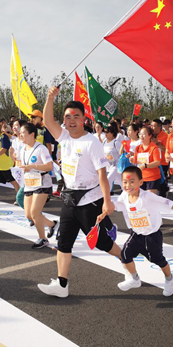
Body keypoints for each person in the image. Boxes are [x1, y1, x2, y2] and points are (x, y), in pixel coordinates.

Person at [37, 87, 121, 298]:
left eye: (76, 116)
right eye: (67, 117)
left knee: (103, 243)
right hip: (69, 200)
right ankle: (62, 285)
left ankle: (128, 262)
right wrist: (50, 98)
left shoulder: (91, 142)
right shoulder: (64, 137)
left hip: (90, 201)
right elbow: (47, 121)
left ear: (84, 119)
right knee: (63, 243)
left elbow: (102, 174)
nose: (71, 120)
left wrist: (107, 201)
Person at [97, 166, 173, 295]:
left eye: (132, 182)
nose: (127, 185)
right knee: (125, 255)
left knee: (157, 260)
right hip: (136, 234)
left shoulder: (147, 197)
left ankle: (170, 278)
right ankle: (135, 279)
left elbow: (166, 202)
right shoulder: (125, 196)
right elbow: (116, 206)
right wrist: (103, 214)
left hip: (152, 236)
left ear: (141, 182)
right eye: (124, 182)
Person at [19, 123, 57, 248]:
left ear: (32, 134)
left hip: (42, 183)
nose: (20, 134)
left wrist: (33, 167)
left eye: (23, 132)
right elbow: (22, 165)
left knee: (35, 213)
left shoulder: (41, 148)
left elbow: (49, 166)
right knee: (29, 215)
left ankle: (43, 238)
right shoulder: (22, 148)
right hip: (29, 183)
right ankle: (52, 224)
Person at [131, 126, 162, 194]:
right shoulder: (138, 148)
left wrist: (145, 165)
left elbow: (157, 162)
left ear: (150, 135)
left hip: (152, 178)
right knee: (141, 199)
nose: (141, 136)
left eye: (144, 134)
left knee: (150, 200)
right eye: (140, 134)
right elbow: (136, 161)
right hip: (140, 178)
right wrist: (132, 159)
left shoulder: (154, 148)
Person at [151, 119, 170, 196]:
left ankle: (163, 196)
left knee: (162, 181)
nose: (152, 128)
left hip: (163, 162)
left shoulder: (165, 136)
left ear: (159, 127)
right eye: (151, 125)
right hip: (153, 162)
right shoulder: (150, 135)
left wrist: (157, 143)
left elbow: (167, 149)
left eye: (154, 126)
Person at [102, 124, 121, 193]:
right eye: (105, 132)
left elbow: (122, 153)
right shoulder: (104, 142)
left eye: (107, 132)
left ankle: (106, 195)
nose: (105, 134)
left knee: (108, 179)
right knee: (121, 182)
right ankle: (127, 193)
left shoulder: (116, 143)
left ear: (112, 133)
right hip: (107, 166)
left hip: (116, 166)